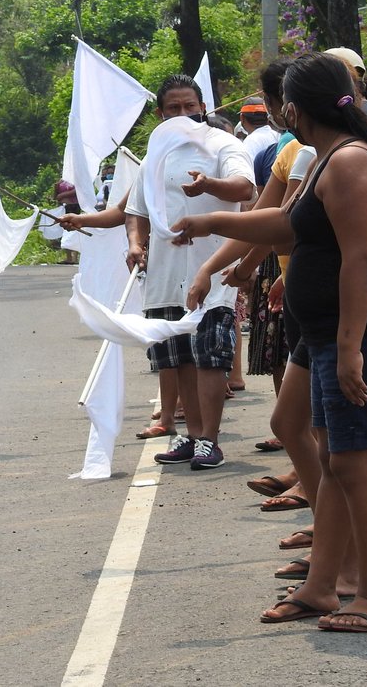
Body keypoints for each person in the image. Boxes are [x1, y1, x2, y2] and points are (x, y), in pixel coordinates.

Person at [172, 52, 367, 632]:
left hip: (357, 334)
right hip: (326, 333)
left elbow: (363, 258)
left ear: (292, 107)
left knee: (356, 465)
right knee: (325, 454)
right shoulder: (326, 158)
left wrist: (352, 347)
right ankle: (321, 588)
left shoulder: (353, 163)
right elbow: (288, 224)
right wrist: (212, 225)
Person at [125, 74, 255, 469]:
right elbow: (137, 211)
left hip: (212, 272)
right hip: (164, 276)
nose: (183, 114)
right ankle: (192, 434)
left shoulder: (223, 144)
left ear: (203, 107)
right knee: (177, 356)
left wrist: (209, 184)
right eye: (173, 108)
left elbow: (244, 188)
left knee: (209, 357)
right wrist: (135, 244)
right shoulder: (153, 157)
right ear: (160, 114)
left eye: (189, 106)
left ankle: (210, 440)